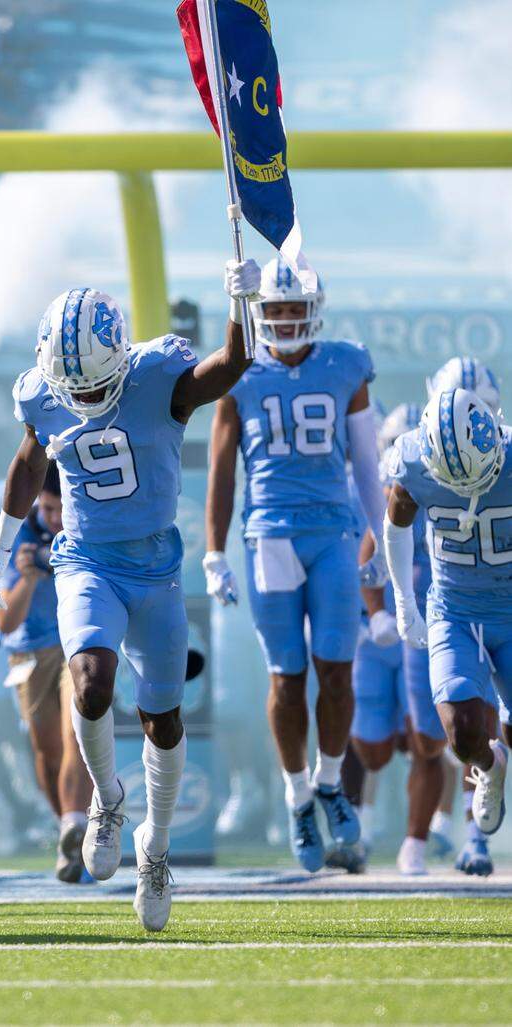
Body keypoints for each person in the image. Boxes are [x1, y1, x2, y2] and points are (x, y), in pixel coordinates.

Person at [0, 262, 259, 931]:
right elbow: (29, 460)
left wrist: (238, 303)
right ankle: (107, 801)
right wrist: (0, 544)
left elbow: (230, 367)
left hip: (157, 567)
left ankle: (155, 848)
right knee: (92, 679)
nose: (82, 396)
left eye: (97, 384)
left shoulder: (158, 373)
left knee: (162, 717)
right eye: (71, 387)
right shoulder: (44, 393)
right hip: (85, 561)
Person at [203, 258, 383, 873]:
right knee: (287, 677)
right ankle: (297, 793)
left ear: (314, 307)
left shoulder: (344, 364)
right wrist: (212, 549)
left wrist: (380, 535)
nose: (282, 318)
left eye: (291, 307)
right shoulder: (241, 372)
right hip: (270, 534)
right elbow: (223, 469)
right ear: (259, 313)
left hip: (334, 530)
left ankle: (331, 784)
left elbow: (365, 459)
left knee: (337, 669)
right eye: (273, 309)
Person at [383, 387, 510, 853]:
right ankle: (490, 767)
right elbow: (394, 524)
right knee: (460, 731)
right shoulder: (414, 460)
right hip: (454, 610)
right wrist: (403, 601)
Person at [346, 402, 448, 875]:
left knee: (426, 741)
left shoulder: (449, 496)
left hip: (430, 637)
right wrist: (377, 613)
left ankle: (416, 843)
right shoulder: (377, 496)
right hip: (381, 637)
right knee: (373, 749)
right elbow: (368, 558)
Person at [0, 462, 92, 882]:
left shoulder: (87, 523)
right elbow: (4, 623)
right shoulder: (17, 533)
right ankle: (65, 832)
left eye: (60, 508)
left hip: (77, 642)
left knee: (77, 737)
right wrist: (30, 578)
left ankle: (78, 824)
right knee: (47, 752)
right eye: (48, 508)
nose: (54, 518)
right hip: (29, 650)